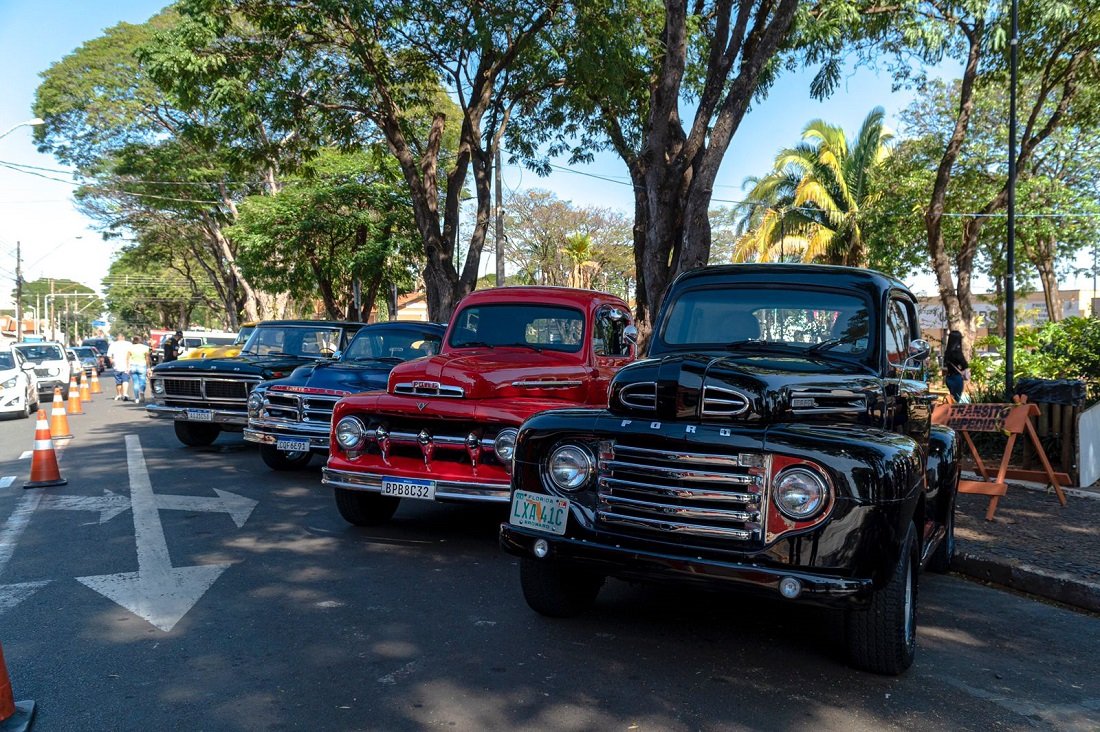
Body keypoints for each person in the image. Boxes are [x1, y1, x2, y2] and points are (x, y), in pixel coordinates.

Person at [943, 330, 970, 402]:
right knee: (956, 400)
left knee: (952, 398)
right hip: (956, 378)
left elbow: (945, 364)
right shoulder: (957, 352)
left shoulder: (947, 352)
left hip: (949, 378)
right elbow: (965, 365)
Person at [106, 332, 132, 401]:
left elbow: (109, 355)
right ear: (124, 337)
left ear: (117, 338)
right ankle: (125, 394)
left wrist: (111, 361)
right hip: (126, 365)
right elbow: (132, 353)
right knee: (125, 380)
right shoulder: (129, 344)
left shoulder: (113, 344)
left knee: (118, 382)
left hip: (117, 365)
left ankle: (119, 394)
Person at [128, 336, 152, 404]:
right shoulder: (145, 347)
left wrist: (128, 367)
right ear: (140, 340)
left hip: (133, 366)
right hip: (142, 366)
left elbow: (128, 358)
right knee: (143, 382)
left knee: (135, 383)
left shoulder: (130, 347)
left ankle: (136, 399)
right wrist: (148, 367)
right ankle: (142, 391)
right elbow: (147, 358)